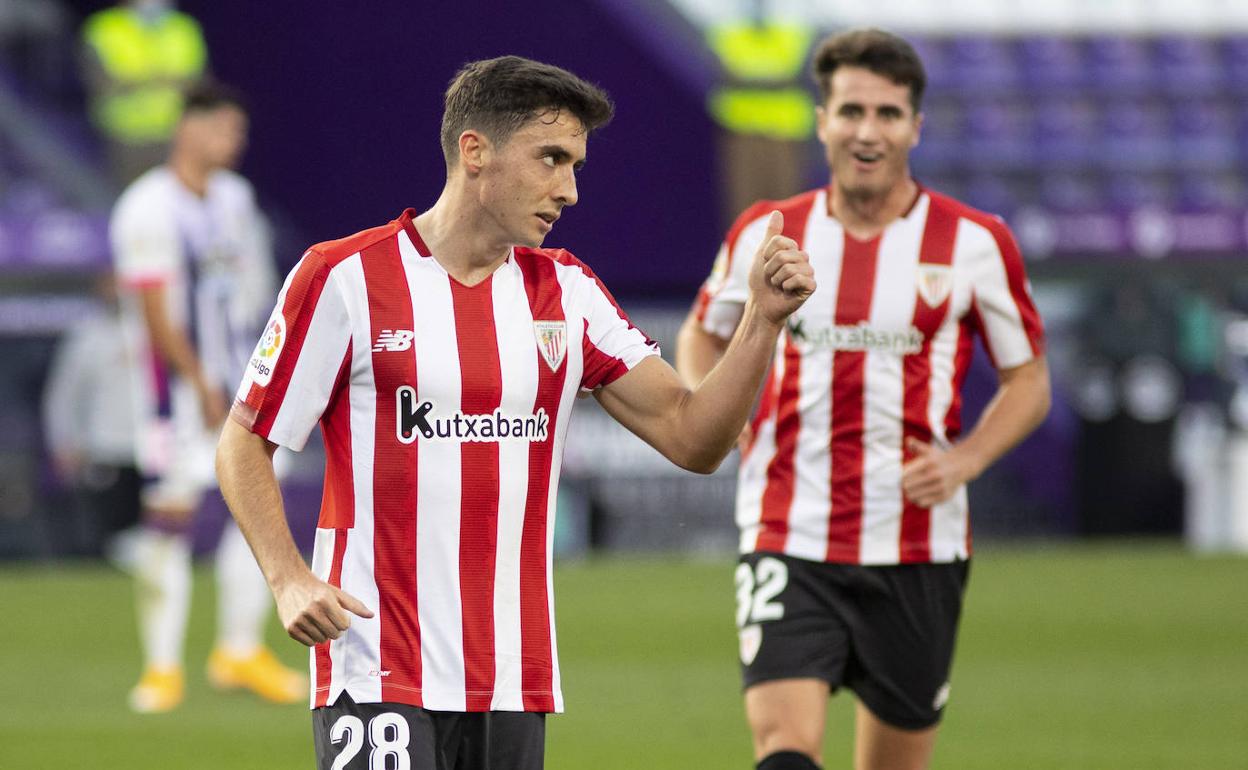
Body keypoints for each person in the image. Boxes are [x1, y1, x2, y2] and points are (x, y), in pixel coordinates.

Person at [214, 55, 814, 769]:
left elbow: (694, 438)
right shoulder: (345, 278)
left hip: (512, 678)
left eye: (575, 166)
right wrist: (289, 579)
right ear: (475, 151)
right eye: (551, 159)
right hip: (375, 665)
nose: (569, 190)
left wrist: (761, 323)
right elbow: (243, 440)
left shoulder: (567, 292)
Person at [676, 29, 1050, 770]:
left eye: (887, 113)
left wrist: (966, 460)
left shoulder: (975, 243)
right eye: (851, 111)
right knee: (783, 753)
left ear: (915, 126)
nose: (867, 131)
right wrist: (717, 411)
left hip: (916, 545)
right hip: (787, 530)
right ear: (823, 122)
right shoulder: (769, 231)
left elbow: (1030, 380)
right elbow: (701, 333)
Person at [110, 79, 304, 713]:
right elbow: (155, 308)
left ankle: (238, 650)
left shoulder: (234, 199)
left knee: (257, 507)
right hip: (174, 396)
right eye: (224, 129)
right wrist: (198, 381)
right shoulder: (147, 208)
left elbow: (253, 292)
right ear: (188, 129)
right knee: (169, 521)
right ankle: (161, 667)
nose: (234, 142)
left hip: (241, 385)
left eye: (239, 132)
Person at [41, 273, 142, 560]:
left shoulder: (156, 331)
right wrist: (64, 441)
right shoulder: (86, 336)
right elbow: (64, 394)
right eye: (111, 283)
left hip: (151, 449)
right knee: (105, 534)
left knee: (148, 535)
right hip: (104, 448)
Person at [81, 0, 208, 184]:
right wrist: (154, 81)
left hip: (177, 136)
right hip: (125, 138)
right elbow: (99, 82)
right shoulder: (104, 28)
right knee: (128, 194)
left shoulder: (184, 27)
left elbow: (202, 82)